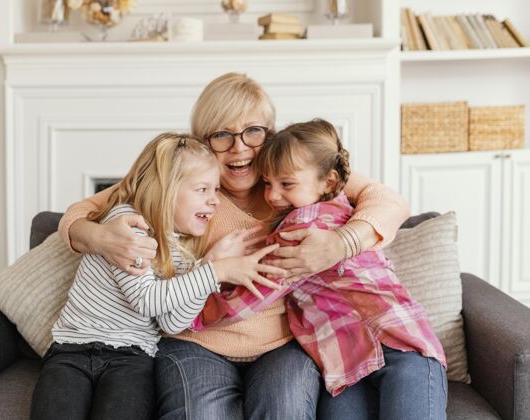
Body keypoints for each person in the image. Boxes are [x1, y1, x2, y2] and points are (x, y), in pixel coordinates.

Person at [57, 73, 412, 419]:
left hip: (280, 345)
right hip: (195, 341)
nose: (239, 147)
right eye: (221, 134)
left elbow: (388, 201)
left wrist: (341, 243)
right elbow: (79, 212)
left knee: (285, 408)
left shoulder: (292, 181)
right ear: (201, 142)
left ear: (270, 135)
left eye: (253, 132)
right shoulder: (186, 186)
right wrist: (100, 238)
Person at [192, 118, 448, 420]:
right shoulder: (334, 200)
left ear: (327, 182)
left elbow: (254, 293)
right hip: (349, 365)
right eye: (268, 183)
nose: (273, 195)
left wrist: (191, 311)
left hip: (401, 346)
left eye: (286, 184)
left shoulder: (301, 228)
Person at [30, 132, 283, 420]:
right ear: (166, 190)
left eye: (216, 190)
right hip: (72, 351)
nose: (214, 201)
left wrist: (207, 266)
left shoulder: (182, 249)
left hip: (133, 359)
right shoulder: (127, 225)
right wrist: (217, 271)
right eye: (203, 190)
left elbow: (172, 321)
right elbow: (147, 301)